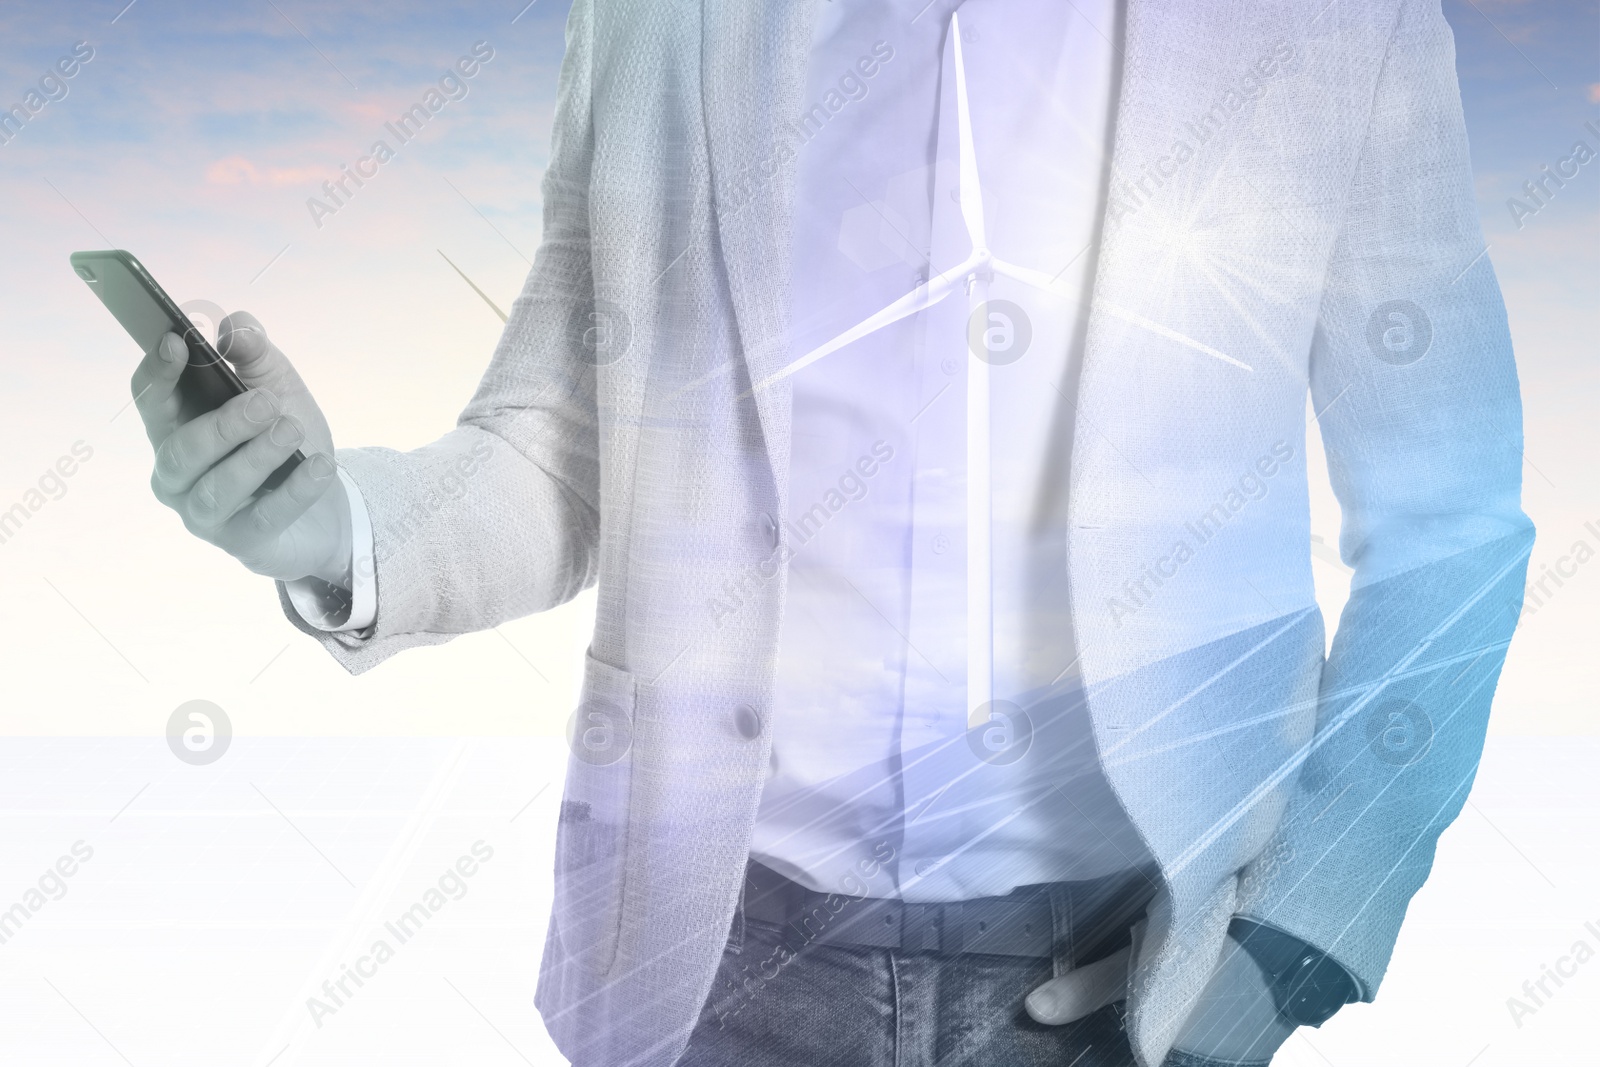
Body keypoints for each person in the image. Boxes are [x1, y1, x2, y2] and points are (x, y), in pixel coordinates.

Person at [128, 1, 1533, 1064]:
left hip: (1135, 968)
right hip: (708, 962)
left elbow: (1448, 522)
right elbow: (561, 448)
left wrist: (1286, 953)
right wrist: (332, 522)